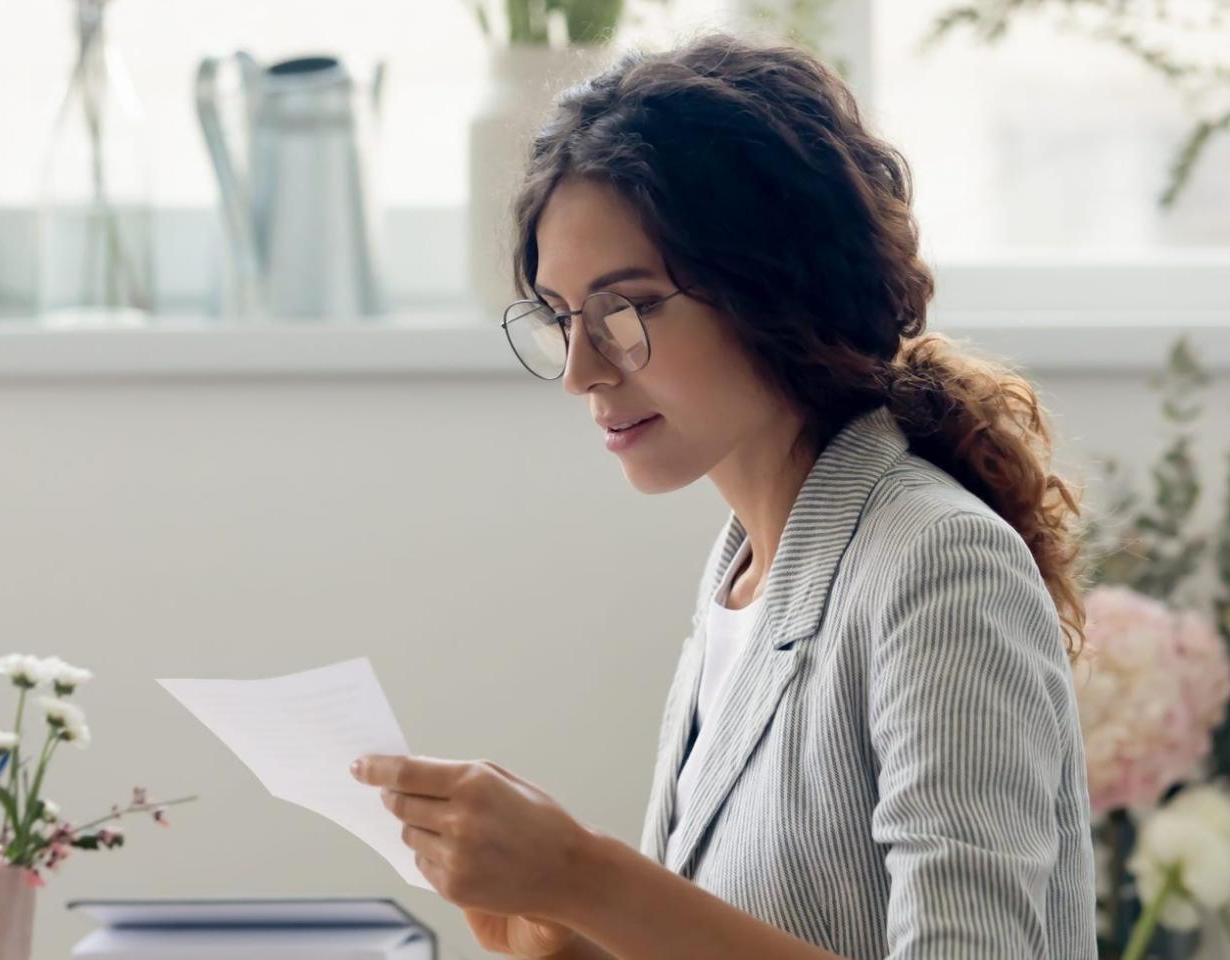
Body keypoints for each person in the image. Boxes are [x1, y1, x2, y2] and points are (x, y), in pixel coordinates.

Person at [350, 31, 1097, 959]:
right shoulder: (743, 573)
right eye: (562, 319)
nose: (583, 370)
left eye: (628, 307)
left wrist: (587, 875)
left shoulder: (937, 563)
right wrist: (570, 938)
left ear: (771, 287)